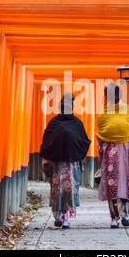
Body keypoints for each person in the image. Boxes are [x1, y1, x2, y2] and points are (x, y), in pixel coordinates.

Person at [39, 92, 91, 229]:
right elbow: (84, 142)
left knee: (57, 189)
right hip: (71, 164)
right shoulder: (77, 124)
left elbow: (46, 143)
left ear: (59, 108)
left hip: (56, 165)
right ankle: (66, 217)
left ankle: (57, 216)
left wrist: (46, 160)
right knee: (69, 190)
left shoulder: (53, 123)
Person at [96, 83, 129, 228]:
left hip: (111, 152)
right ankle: (125, 215)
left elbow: (101, 133)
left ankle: (115, 217)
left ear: (106, 98)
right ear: (120, 96)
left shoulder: (103, 114)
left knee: (112, 184)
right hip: (128, 149)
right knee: (126, 181)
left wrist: (102, 152)